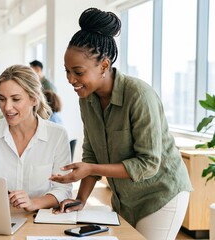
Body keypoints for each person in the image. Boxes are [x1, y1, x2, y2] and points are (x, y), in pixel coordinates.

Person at [50, 8, 192, 240]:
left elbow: (148, 163)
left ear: (104, 66)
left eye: (78, 72)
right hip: (125, 197)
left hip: (160, 194)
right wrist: (81, 199)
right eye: (67, 71)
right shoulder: (87, 99)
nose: (70, 80)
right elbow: (92, 153)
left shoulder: (139, 95)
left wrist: (91, 169)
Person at [0, 64, 72, 212]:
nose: (7, 107)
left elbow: (63, 190)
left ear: (34, 99)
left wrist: (33, 203)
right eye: (2, 99)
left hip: (38, 222)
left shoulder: (57, 135)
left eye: (16, 99)